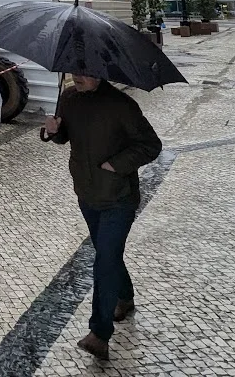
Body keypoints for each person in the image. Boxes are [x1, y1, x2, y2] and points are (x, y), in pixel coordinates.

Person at [42, 75, 163, 361]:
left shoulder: (122, 105)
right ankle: (125, 297)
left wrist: (115, 165)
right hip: (87, 194)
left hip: (118, 198)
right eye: (74, 68)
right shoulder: (69, 98)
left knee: (104, 261)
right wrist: (53, 131)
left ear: (101, 71)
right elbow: (64, 137)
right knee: (107, 255)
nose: (77, 75)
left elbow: (151, 145)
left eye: (84, 70)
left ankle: (99, 333)